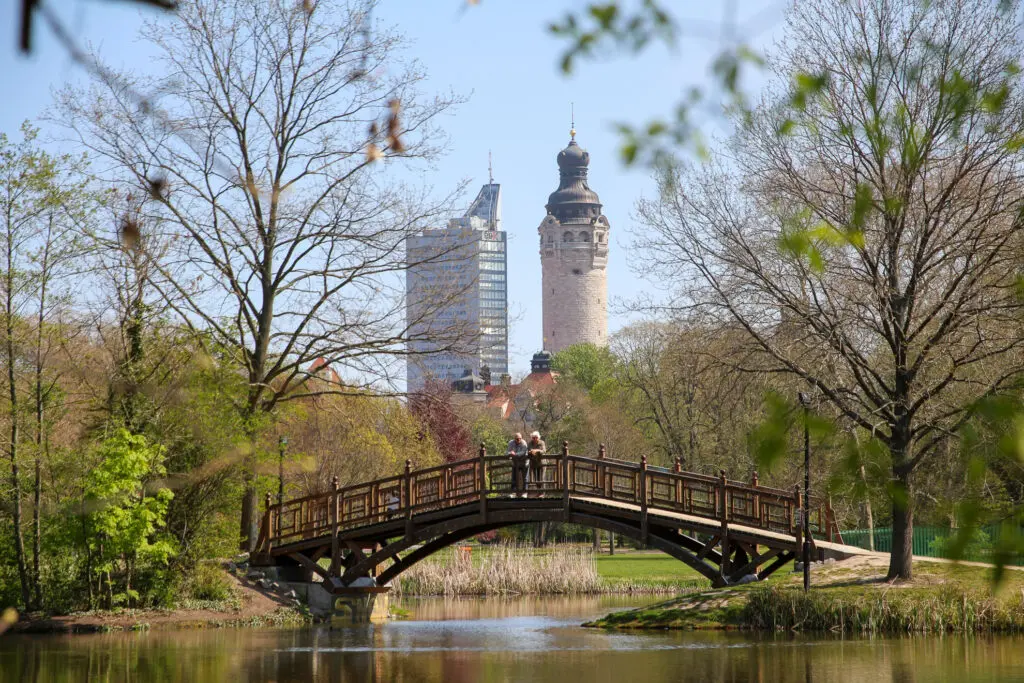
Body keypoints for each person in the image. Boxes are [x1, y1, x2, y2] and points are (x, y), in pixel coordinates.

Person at [507, 432, 529, 497]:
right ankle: (513, 493)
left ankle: (525, 492)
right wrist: (510, 453)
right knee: (513, 477)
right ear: (514, 439)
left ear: (521, 438)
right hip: (515, 463)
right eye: (517, 439)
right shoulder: (511, 443)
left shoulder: (524, 443)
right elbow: (507, 451)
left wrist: (515, 454)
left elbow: (523, 452)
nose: (518, 440)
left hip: (524, 463)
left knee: (525, 478)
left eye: (520, 439)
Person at [526, 431, 546, 497]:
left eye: (536, 437)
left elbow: (543, 451)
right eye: (533, 438)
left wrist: (537, 450)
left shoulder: (541, 442)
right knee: (536, 479)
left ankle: (542, 493)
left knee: (541, 478)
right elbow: (528, 450)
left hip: (541, 463)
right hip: (534, 463)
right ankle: (539, 491)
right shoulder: (530, 443)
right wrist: (531, 451)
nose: (534, 439)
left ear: (538, 437)